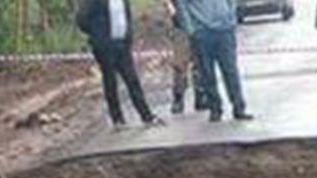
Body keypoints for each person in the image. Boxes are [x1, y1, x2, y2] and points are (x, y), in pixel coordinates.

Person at [78, 0, 163, 128]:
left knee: (132, 79)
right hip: (105, 45)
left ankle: (147, 116)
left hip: (122, 44)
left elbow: (126, 16)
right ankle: (117, 119)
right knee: (110, 81)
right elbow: (81, 19)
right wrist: (97, 33)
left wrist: (128, 35)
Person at [179, 0, 255, 122]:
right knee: (207, 74)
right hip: (202, 33)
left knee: (231, 71)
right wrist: (191, 30)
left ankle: (239, 108)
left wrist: (231, 20)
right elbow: (182, 6)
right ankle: (215, 109)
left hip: (225, 31)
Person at [166, 0, 205, 114]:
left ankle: (200, 96)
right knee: (180, 65)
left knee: (199, 63)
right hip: (180, 28)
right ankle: (178, 98)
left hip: (198, 23)